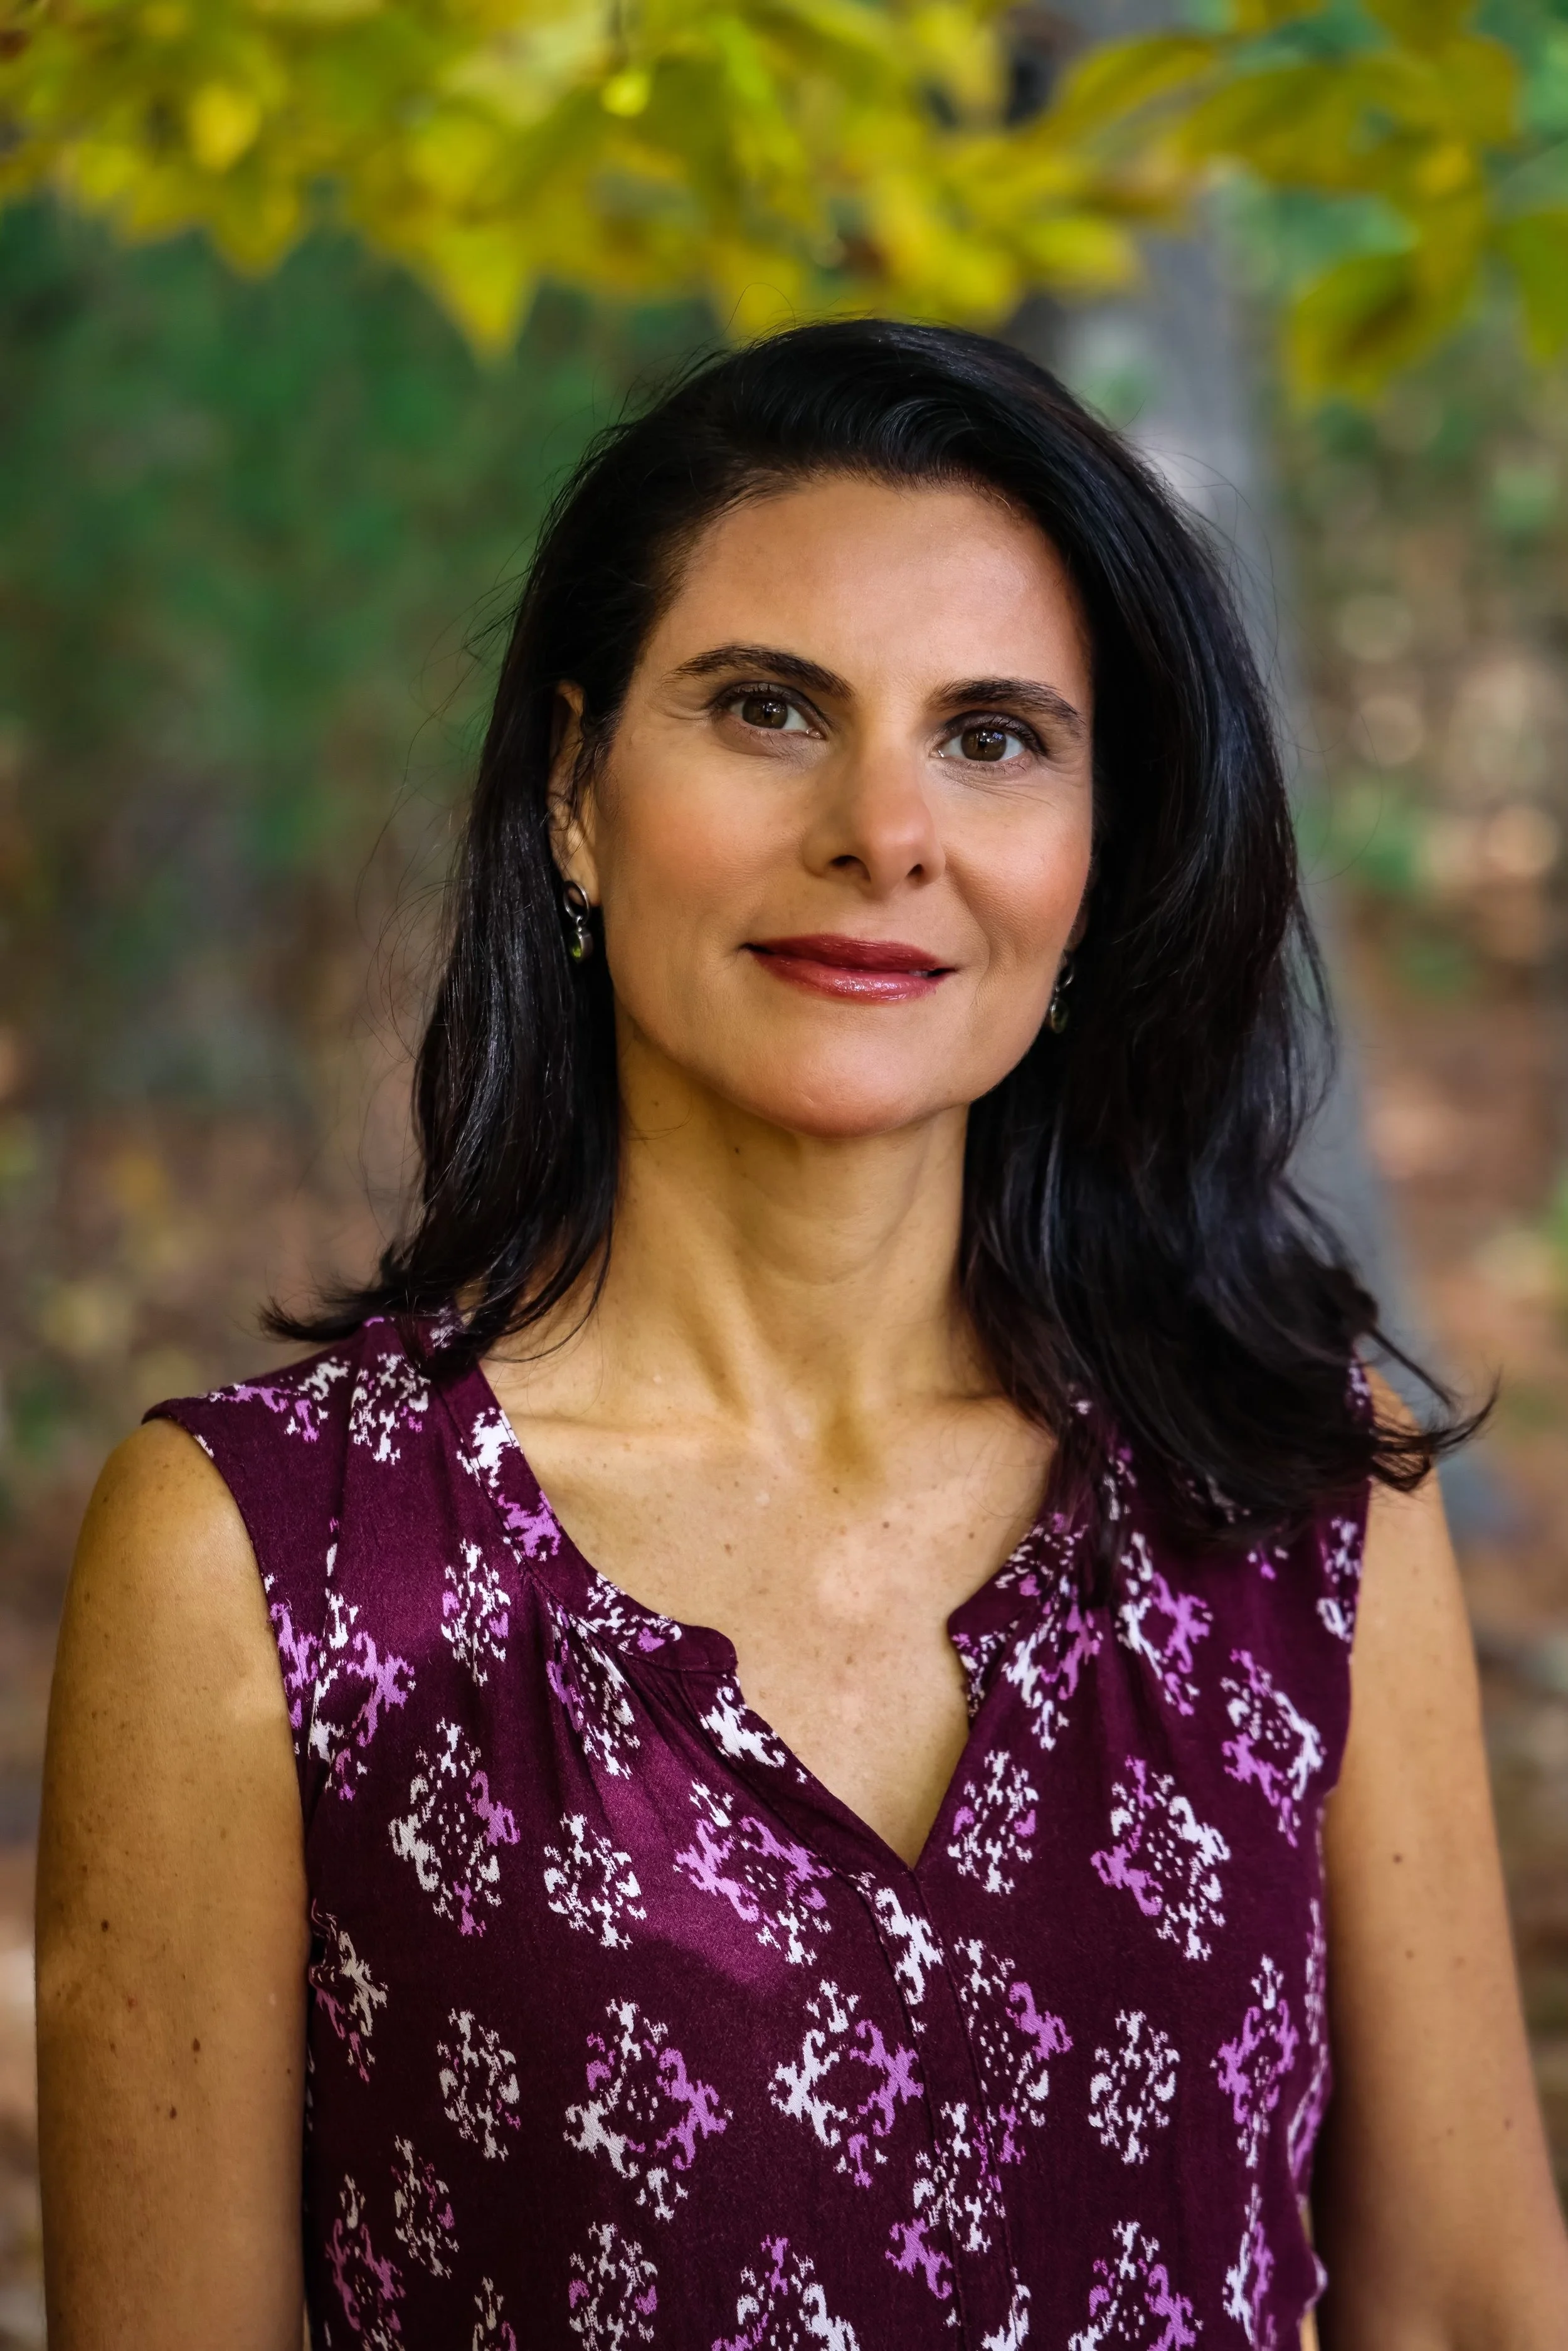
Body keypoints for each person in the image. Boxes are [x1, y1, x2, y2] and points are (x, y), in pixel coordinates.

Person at [36, 321, 1568, 2351]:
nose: (883, 827)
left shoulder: (1286, 1490)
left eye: (995, 735)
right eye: (769, 709)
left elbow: (1466, 2306)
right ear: (576, 794)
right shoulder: (271, 1558)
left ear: (1096, 860)